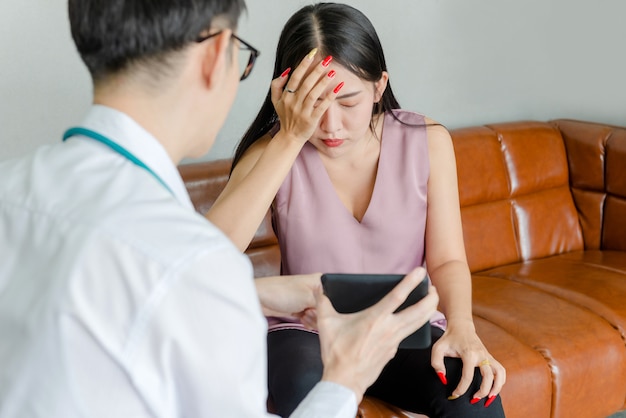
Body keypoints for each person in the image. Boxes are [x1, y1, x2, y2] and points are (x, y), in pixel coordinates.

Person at [0, 1, 440, 417]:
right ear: (215, 55)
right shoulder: (191, 261)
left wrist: (256, 292)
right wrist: (345, 378)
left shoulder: (10, 189)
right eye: (240, 55)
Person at [206, 3, 507, 417]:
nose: (330, 126)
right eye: (314, 104)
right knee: (305, 391)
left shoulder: (429, 141)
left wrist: (462, 327)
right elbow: (206, 259)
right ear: (288, 96)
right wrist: (290, 137)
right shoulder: (275, 151)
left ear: (380, 86)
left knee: (475, 397)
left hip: (402, 328)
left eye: (348, 102)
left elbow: (449, 259)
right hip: (307, 333)